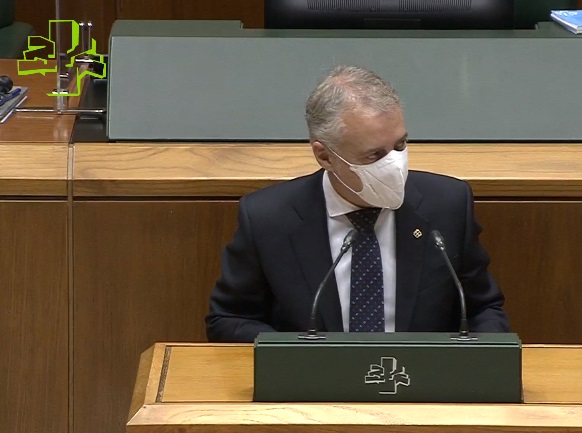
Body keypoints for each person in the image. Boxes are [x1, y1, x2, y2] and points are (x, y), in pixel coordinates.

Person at [206, 65, 509, 342]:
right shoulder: (268, 218)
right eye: (374, 155)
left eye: (400, 145)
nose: (394, 164)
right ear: (325, 156)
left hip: (422, 379)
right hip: (312, 381)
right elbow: (229, 319)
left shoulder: (447, 204)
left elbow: (484, 309)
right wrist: (296, 357)